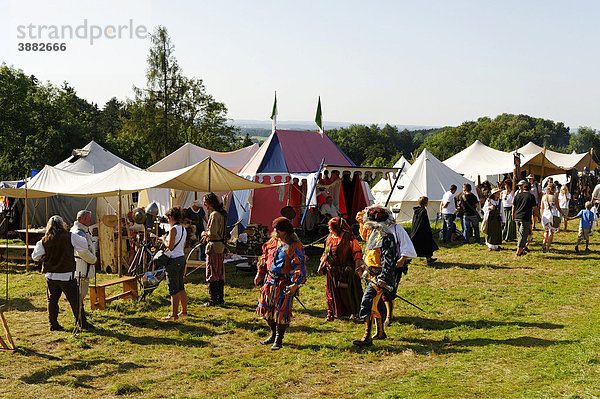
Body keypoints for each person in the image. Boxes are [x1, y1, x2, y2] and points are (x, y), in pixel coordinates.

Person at [31, 215, 97, 331]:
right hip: (67, 275)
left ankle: (53, 324)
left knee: (52, 300)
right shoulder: (70, 237)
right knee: (75, 300)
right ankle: (82, 323)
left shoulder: (44, 240)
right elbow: (83, 246)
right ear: (62, 225)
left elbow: (35, 257)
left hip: (51, 276)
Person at [254, 217, 307, 350]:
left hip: (284, 284)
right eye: (275, 228)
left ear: (286, 232)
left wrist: (295, 284)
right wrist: (259, 274)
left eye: (279, 229)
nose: (276, 231)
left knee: (281, 313)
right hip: (269, 282)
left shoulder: (295, 246)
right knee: (266, 309)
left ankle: (279, 339)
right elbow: (264, 257)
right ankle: (272, 334)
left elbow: (300, 266)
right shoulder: (272, 242)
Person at [352, 206, 397, 347]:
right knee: (377, 304)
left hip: (379, 276)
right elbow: (371, 253)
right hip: (370, 274)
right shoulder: (373, 233)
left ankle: (367, 337)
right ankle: (380, 332)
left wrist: (383, 278)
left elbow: (388, 260)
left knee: (368, 302)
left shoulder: (386, 236)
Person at [318, 217, 363, 321]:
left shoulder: (349, 238)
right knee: (331, 292)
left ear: (337, 228)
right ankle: (331, 313)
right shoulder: (330, 237)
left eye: (331, 227)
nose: (329, 229)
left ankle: (354, 312)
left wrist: (357, 268)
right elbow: (326, 252)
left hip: (346, 271)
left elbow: (357, 253)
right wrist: (321, 265)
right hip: (331, 271)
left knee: (348, 293)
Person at [383, 219, 416, 326]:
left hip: (395, 264)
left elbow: (406, 244)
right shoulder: (378, 229)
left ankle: (389, 316)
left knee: (390, 289)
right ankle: (382, 313)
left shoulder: (398, 229)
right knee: (381, 290)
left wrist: (402, 259)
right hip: (380, 264)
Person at [160, 206, 188, 320]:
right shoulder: (183, 229)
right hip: (181, 258)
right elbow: (183, 245)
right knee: (181, 286)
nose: (167, 221)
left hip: (174, 260)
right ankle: (184, 311)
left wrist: (163, 240)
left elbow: (170, 247)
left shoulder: (173, 229)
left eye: (168, 218)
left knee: (173, 289)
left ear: (171, 217)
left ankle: (174, 314)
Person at [70, 210, 96, 328]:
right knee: (80, 293)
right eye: (88, 218)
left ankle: (80, 315)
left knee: (81, 293)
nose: (91, 220)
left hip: (82, 266)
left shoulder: (83, 230)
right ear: (82, 219)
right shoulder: (78, 232)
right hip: (81, 267)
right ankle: (80, 318)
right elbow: (82, 252)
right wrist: (93, 259)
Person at [200, 193, 227, 306]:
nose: (204, 204)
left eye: (205, 202)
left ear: (210, 202)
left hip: (214, 248)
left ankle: (213, 300)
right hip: (219, 247)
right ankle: (219, 299)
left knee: (212, 273)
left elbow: (213, 233)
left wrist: (204, 233)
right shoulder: (220, 214)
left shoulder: (215, 215)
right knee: (219, 273)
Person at [512, 182, 540, 257]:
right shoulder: (531, 196)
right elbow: (534, 208)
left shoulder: (518, 195)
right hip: (525, 218)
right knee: (523, 235)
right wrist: (538, 216)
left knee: (520, 234)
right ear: (530, 188)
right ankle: (519, 251)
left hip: (517, 216)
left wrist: (513, 215)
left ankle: (521, 249)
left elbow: (513, 206)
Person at [410, 196, 438, 264]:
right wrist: (428, 231)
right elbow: (424, 222)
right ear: (426, 203)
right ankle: (408, 259)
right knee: (424, 245)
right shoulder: (423, 211)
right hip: (422, 232)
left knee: (417, 246)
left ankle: (428, 258)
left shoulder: (417, 210)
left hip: (417, 231)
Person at [539, 183, 565, 253]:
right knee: (551, 232)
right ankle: (547, 248)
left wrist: (541, 216)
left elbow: (541, 207)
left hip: (545, 214)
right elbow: (558, 207)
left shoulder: (544, 197)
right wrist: (563, 213)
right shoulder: (554, 197)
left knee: (546, 231)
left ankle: (544, 243)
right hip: (552, 215)